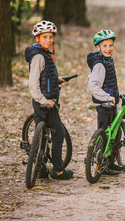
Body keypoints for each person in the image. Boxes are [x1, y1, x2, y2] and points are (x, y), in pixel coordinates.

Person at [24, 20, 73, 180]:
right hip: (45, 102)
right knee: (58, 132)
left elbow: (44, 75)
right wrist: (43, 100)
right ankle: (58, 171)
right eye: (45, 37)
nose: (49, 40)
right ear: (38, 39)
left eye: (51, 37)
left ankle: (40, 169)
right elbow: (33, 82)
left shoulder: (43, 53)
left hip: (42, 100)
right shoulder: (39, 56)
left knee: (41, 132)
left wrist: (55, 79)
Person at [87, 29, 122, 176]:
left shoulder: (107, 60)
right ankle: (103, 164)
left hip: (109, 102)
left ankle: (109, 162)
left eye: (111, 45)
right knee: (107, 134)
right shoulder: (100, 64)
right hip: (104, 104)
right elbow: (93, 84)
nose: (108, 49)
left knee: (114, 132)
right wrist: (107, 97)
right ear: (98, 47)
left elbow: (107, 81)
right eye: (105, 46)